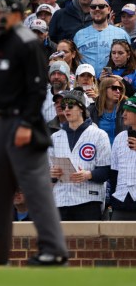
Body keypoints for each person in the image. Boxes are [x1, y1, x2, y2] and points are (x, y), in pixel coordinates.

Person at [0, 0, 68, 266]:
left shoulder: (26, 42)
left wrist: (25, 124)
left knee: (35, 188)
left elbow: (36, 89)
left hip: (23, 124)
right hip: (0, 125)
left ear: (13, 14)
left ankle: (54, 249)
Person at [49, 89, 110, 221]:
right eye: (64, 106)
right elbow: (48, 174)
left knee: (88, 241)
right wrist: (52, 174)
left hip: (88, 200)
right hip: (61, 200)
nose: (66, 109)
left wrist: (88, 174)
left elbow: (106, 171)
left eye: (71, 106)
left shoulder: (99, 135)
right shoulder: (55, 137)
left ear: (81, 108)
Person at [109, 96, 136, 220]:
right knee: (116, 239)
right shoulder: (120, 137)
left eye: (128, 110)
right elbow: (114, 171)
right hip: (121, 201)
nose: (123, 114)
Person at [88, 76, 126, 145]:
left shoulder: (125, 110)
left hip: (121, 151)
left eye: (120, 89)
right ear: (104, 89)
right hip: (99, 152)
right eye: (114, 88)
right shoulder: (91, 110)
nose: (118, 91)